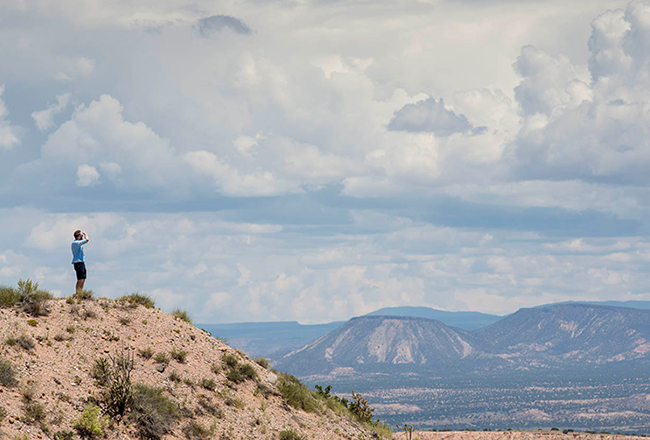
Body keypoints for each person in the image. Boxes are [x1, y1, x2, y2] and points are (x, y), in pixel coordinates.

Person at [71, 230, 90, 294]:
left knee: (83, 278)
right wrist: (85, 233)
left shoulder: (78, 244)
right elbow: (87, 240)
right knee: (80, 279)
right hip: (78, 263)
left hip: (81, 262)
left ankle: (80, 292)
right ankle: (77, 293)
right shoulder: (75, 243)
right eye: (81, 236)